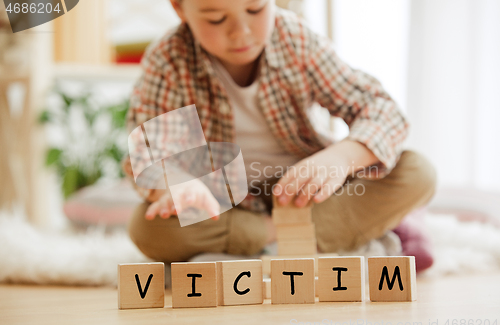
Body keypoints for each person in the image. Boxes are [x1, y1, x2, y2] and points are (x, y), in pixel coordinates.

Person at [122, 0, 437, 272]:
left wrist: (341, 158)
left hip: (311, 193)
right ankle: (310, 238)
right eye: (216, 18)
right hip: (229, 206)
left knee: (417, 172)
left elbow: (381, 109)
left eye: (256, 8)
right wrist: (178, 184)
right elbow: (151, 154)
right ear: (180, 8)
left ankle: (262, 246)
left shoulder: (295, 38)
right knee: (147, 228)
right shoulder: (168, 59)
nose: (240, 32)